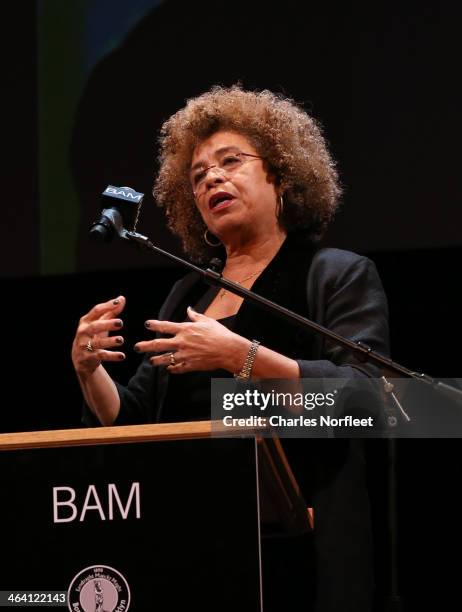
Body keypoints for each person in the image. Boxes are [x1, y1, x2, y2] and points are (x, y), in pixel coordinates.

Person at [72, 85, 389, 611]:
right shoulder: (190, 293)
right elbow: (137, 421)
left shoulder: (333, 275)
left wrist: (238, 356)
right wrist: (90, 372)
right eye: (197, 176)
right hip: (196, 545)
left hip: (301, 548)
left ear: (282, 175)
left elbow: (370, 402)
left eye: (230, 162)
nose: (212, 178)